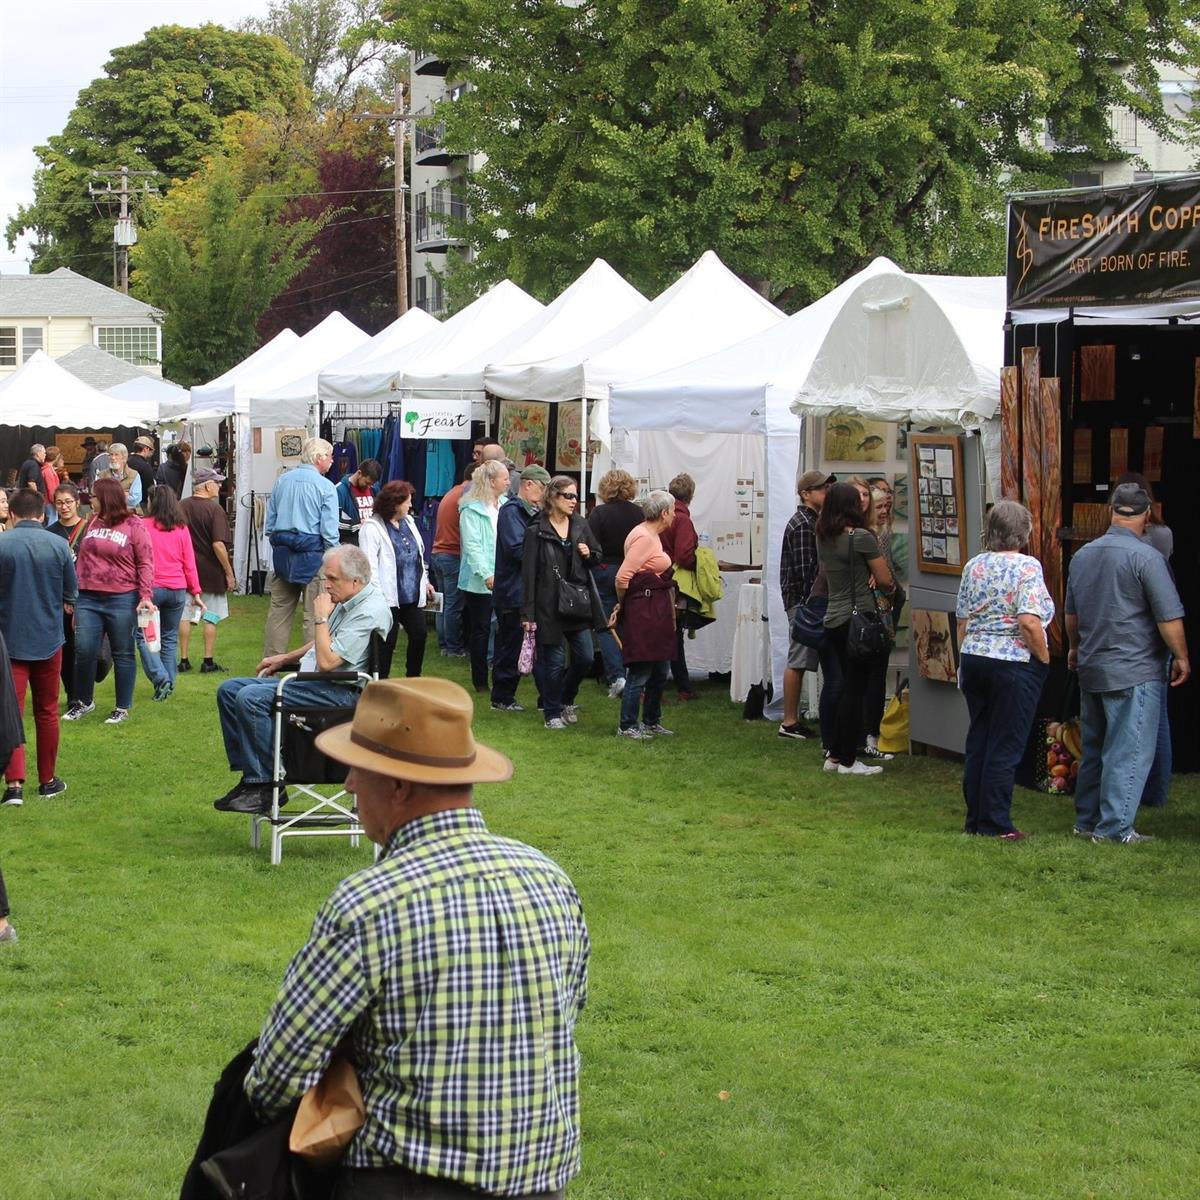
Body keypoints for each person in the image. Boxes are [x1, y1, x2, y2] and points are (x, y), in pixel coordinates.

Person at [243, 676, 589, 1199]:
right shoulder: (549, 876)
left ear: (399, 786)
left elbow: (278, 1074)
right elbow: (570, 1006)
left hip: (405, 1179)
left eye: (357, 770)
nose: (349, 787)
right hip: (540, 1179)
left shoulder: (369, 902)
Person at [214, 544, 392, 815]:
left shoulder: (369, 611)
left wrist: (321, 618)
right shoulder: (350, 601)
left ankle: (265, 784)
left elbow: (328, 661)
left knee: (250, 698)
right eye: (326, 577)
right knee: (229, 690)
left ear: (356, 581)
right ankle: (252, 778)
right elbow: (324, 645)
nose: (326, 585)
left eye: (332, 579)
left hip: (342, 692)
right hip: (318, 683)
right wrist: (284, 658)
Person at [1066, 482, 1189, 844]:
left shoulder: (1083, 555)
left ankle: (1086, 821)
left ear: (1111, 510)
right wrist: (1181, 656)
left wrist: (1074, 649)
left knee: (1094, 748)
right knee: (1128, 749)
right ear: (1147, 513)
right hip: (1134, 668)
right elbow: (1168, 618)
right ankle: (1115, 828)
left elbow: (1071, 615)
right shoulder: (1147, 558)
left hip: (1092, 662)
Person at [955, 501, 1053, 840]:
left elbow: (963, 621)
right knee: (1006, 743)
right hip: (1013, 660)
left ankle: (975, 820)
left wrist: (963, 658)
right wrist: (1044, 658)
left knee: (980, 738)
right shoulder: (1027, 567)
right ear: (1023, 534)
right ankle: (996, 823)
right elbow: (1028, 621)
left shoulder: (974, 566)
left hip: (975, 656)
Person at [0, 488, 78, 803]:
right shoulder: (59, 545)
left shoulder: (2, 544)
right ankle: (47, 780)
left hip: (8, 641)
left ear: (13, 515)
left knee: (9, 713)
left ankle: (14, 785)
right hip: (50, 638)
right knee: (47, 711)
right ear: (44, 515)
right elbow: (71, 594)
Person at [816, 481, 896, 776]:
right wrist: (876, 578)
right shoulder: (860, 537)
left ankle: (834, 754)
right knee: (855, 690)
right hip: (859, 617)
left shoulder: (823, 535)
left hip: (834, 617)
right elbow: (886, 579)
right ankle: (848, 760)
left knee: (844, 685)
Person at [64, 476, 154, 726]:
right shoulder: (93, 521)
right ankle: (83, 701)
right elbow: (82, 558)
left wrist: (145, 595)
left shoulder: (134, 525)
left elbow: (145, 561)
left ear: (106, 498)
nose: (89, 500)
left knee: (123, 652)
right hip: (89, 596)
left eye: (93, 496)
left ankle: (122, 707)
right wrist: (75, 594)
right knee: (83, 650)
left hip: (122, 598)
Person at [522, 474, 602, 730]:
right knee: (554, 662)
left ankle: (566, 697)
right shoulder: (537, 530)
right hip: (548, 604)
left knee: (585, 657)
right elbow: (529, 574)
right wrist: (528, 614)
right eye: (568, 496)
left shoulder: (580, 524)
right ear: (553, 497)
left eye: (575, 496)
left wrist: (589, 554)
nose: (573, 501)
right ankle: (552, 712)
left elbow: (596, 556)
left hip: (576, 602)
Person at [263, 437, 339, 657]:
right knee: (315, 613)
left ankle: (270, 665)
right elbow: (329, 531)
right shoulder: (326, 487)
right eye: (330, 456)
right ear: (319, 458)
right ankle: (313, 666)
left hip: (283, 554)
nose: (332, 461)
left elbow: (270, 523)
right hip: (314, 556)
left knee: (279, 612)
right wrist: (334, 559)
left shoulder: (281, 481)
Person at [612, 490, 678, 739]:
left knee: (660, 668)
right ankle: (627, 725)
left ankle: (651, 720)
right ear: (664, 513)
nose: (674, 515)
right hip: (645, 609)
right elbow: (622, 576)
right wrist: (624, 603)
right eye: (672, 511)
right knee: (641, 670)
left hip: (653, 607)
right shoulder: (644, 537)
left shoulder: (650, 533)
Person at [358, 480, 434, 678]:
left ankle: (413, 681)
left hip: (411, 594)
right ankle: (378, 684)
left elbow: (418, 555)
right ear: (395, 504)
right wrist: (377, 597)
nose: (410, 505)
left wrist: (425, 582)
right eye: (407, 502)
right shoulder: (372, 528)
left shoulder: (408, 521)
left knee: (419, 635)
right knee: (386, 642)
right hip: (387, 598)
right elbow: (369, 567)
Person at [778, 471, 834, 740]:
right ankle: (789, 721)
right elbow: (806, 571)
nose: (826, 492)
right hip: (804, 603)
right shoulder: (803, 524)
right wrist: (810, 604)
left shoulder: (812, 521)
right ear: (806, 494)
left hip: (804, 602)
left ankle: (792, 721)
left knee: (800, 660)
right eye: (821, 488)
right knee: (798, 660)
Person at [136, 485, 203, 701]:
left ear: (151, 502)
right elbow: (189, 562)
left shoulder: (142, 525)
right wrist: (196, 591)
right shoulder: (181, 528)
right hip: (177, 589)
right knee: (169, 637)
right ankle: (169, 683)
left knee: (143, 635)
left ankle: (160, 678)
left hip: (151, 590)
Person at [491, 465, 548, 711]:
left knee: (529, 645)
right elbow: (516, 549)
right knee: (510, 644)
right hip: (512, 590)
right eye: (543, 487)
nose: (545, 493)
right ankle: (501, 697)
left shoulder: (532, 511)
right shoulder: (511, 511)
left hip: (526, 589)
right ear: (528, 484)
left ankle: (542, 697)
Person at [585, 469, 644, 699]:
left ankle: (617, 677)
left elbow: (590, 544)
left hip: (604, 570)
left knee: (606, 625)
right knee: (630, 624)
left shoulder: (599, 514)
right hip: (632, 571)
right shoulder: (639, 513)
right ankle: (633, 673)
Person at [178, 466, 236, 674]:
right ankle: (207, 660)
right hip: (211, 572)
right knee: (211, 615)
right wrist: (229, 572)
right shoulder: (215, 510)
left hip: (185, 571)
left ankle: (183, 659)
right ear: (207, 485)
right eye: (217, 482)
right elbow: (218, 544)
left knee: (184, 615)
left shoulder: (180, 507)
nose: (220, 486)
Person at [459, 460, 510, 692]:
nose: (509, 481)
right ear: (492, 481)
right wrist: (487, 574)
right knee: (481, 629)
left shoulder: (507, 505)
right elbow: (472, 545)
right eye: (504, 477)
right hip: (479, 580)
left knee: (505, 628)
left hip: (505, 576)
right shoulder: (471, 509)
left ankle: (502, 673)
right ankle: (480, 680)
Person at [48, 482, 90, 704]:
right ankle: (73, 694)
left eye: (68, 502)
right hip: (58, 598)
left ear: (77, 502)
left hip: (86, 595)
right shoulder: (49, 532)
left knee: (85, 647)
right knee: (66, 648)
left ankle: (84, 691)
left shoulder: (88, 529)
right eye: (59, 503)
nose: (64, 507)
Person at [660, 473, 700, 701]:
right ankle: (681, 686)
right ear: (691, 495)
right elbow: (684, 555)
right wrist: (700, 563)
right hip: (674, 581)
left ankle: (680, 684)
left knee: (669, 634)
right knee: (673, 635)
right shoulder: (682, 519)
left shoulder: (663, 514)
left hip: (659, 578)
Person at [431, 464, 473, 658]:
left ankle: (444, 643)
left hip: (438, 552)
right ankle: (453, 647)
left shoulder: (451, 492)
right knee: (453, 605)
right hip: (452, 554)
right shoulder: (465, 496)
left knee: (442, 604)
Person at [335, 458, 381, 545]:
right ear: (359, 473)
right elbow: (333, 522)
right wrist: (358, 524)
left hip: (372, 543)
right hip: (351, 545)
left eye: (372, 484)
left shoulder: (374, 488)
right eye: (367, 483)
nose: (369, 486)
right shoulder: (340, 490)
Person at [103, 443, 143, 509]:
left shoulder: (134, 475)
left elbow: (135, 500)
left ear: (124, 457)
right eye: (111, 454)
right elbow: (98, 498)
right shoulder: (102, 475)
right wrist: (123, 494)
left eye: (116, 455)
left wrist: (110, 495)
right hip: (109, 514)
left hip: (129, 514)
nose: (113, 458)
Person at [128, 436, 158, 509]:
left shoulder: (126, 462)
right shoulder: (145, 466)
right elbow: (150, 488)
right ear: (145, 449)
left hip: (127, 502)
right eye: (150, 450)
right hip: (141, 505)